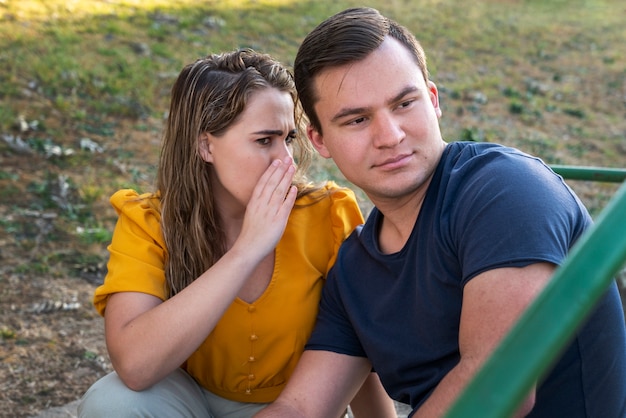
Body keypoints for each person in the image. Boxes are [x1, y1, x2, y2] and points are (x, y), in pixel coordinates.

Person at [254, 7, 626, 418]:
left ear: (433, 101)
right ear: (319, 139)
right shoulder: (354, 271)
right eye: (357, 119)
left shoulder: (503, 191)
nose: (390, 136)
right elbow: (301, 406)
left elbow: (498, 387)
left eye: (404, 103)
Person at [77, 49, 396, 417]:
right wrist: (246, 250)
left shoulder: (328, 215)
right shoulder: (149, 221)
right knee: (112, 402)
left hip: (293, 404)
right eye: (264, 141)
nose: (286, 161)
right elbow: (134, 365)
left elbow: (355, 349)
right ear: (205, 145)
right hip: (186, 398)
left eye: (288, 138)